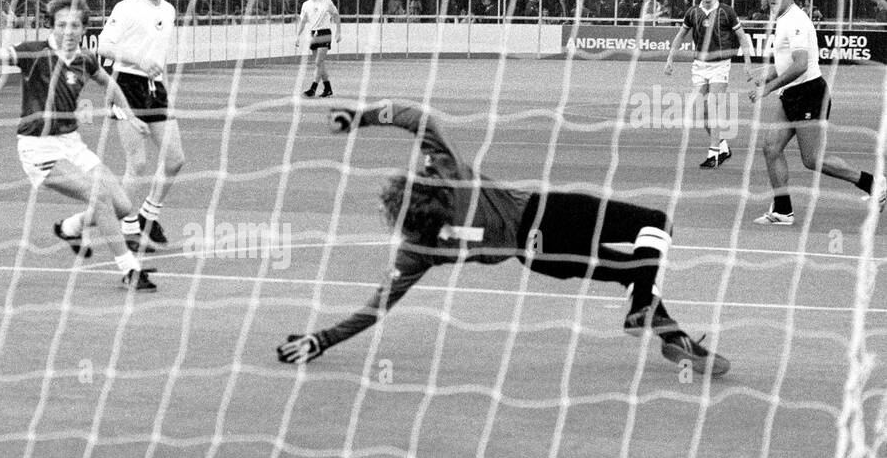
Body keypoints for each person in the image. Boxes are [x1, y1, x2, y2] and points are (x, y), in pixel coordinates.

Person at [276, 101, 729, 376]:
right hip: (549, 213)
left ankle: (670, 335)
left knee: (626, 271)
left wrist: (322, 340)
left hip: (535, 256)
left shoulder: (418, 250)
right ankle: (642, 308)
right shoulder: (448, 173)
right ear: (423, 184)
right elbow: (415, 117)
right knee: (656, 225)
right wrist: (359, 118)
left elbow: (375, 307)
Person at [0, 0, 159, 291]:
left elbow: (110, 84)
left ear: (83, 28)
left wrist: (129, 115)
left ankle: (70, 227)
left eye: (75, 26)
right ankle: (129, 269)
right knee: (99, 197)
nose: (68, 31)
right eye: (62, 24)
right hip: (39, 148)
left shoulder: (85, 60)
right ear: (51, 25)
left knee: (121, 204)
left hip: (72, 142)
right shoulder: (34, 52)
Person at [749, 0, 885, 224]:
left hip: (809, 93)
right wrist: (767, 76)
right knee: (771, 147)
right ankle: (782, 211)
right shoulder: (781, 18)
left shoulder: (796, 20)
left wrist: (768, 88)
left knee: (813, 160)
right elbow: (788, 62)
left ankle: (874, 183)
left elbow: (801, 65)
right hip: (791, 93)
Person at [97, 0, 182, 251]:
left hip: (154, 88)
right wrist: (140, 60)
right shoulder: (127, 8)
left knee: (175, 159)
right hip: (126, 85)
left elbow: (160, 58)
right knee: (138, 163)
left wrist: (167, 91)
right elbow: (104, 46)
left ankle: (148, 215)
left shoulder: (169, 10)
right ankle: (127, 226)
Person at [663, 0, 756, 168]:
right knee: (703, 113)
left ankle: (713, 154)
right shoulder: (692, 13)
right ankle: (723, 147)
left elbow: (742, 37)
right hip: (699, 66)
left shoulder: (726, 12)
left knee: (713, 107)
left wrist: (748, 63)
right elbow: (680, 36)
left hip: (720, 65)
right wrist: (670, 59)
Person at [294, 0, 340, 97]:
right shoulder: (306, 5)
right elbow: (303, 22)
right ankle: (328, 89)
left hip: (324, 33)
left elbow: (336, 15)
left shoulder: (326, 2)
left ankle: (313, 89)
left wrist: (338, 32)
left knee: (318, 62)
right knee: (320, 63)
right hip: (313, 34)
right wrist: (298, 36)